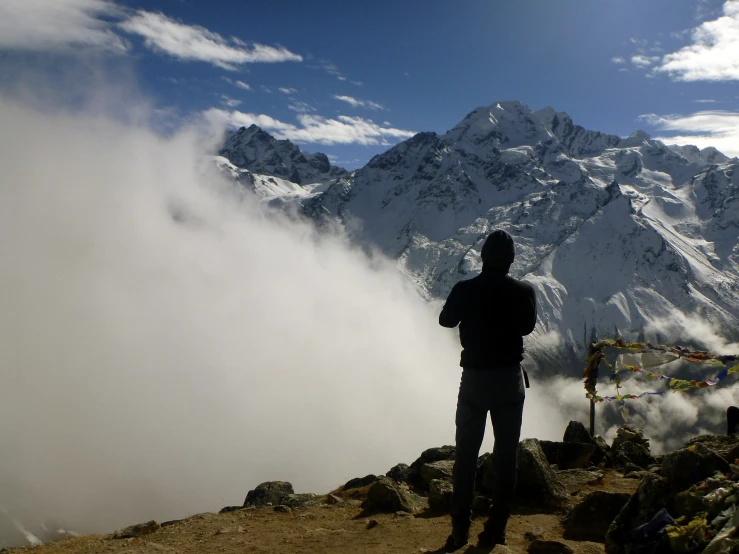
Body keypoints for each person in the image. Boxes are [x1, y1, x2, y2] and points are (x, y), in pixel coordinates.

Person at [438, 229, 537, 551]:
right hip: (509, 380)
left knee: (465, 457)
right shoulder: (524, 291)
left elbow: (445, 321)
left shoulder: (465, 289)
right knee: (506, 457)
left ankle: (459, 530)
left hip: (475, 380)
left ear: (482, 257)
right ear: (510, 260)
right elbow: (526, 328)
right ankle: (495, 531)